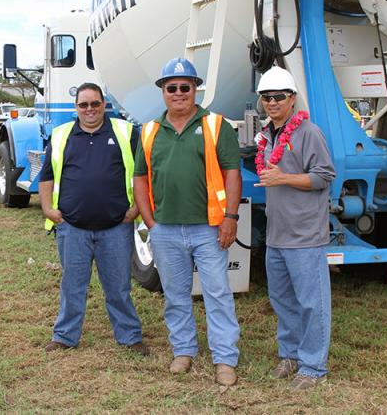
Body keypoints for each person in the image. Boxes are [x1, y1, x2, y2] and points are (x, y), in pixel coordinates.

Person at [133, 58, 242, 387]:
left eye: (185, 87)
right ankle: (183, 351)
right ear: (163, 92)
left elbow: (232, 174)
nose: (178, 93)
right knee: (176, 295)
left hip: (208, 229)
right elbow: (139, 178)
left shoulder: (215, 125)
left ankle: (225, 359)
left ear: (195, 89)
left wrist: (230, 218)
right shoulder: (151, 130)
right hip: (165, 229)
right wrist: (150, 221)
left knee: (218, 294)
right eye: (172, 88)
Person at [38, 82, 148, 356]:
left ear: (104, 105)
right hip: (72, 228)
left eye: (95, 104)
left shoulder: (125, 132)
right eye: (83, 104)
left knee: (119, 287)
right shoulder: (61, 135)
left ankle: (129, 336)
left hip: (116, 228)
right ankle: (65, 336)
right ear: (76, 108)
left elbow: (143, 174)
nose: (90, 109)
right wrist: (48, 210)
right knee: (72, 286)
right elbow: (46, 177)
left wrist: (136, 208)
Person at [254, 66, 335, 390]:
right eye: (266, 97)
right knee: (283, 300)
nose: (272, 102)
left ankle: (313, 366)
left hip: (305, 237)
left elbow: (325, 176)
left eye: (278, 97)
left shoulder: (308, 132)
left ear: (291, 99)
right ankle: (290, 355)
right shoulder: (267, 135)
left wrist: (283, 178)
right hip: (277, 236)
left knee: (311, 303)